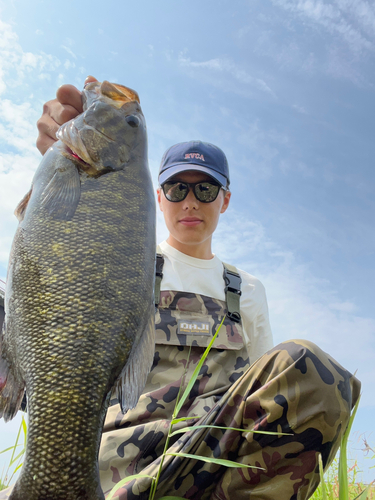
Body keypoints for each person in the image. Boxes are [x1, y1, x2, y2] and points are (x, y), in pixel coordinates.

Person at [29, 77, 362, 499]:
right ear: (159, 196)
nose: (190, 201)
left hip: (205, 465)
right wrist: (61, 163)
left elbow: (265, 400)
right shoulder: (119, 258)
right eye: (176, 187)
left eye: (204, 189)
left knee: (317, 371)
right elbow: (56, 262)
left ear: (224, 200)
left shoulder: (248, 289)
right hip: (111, 470)